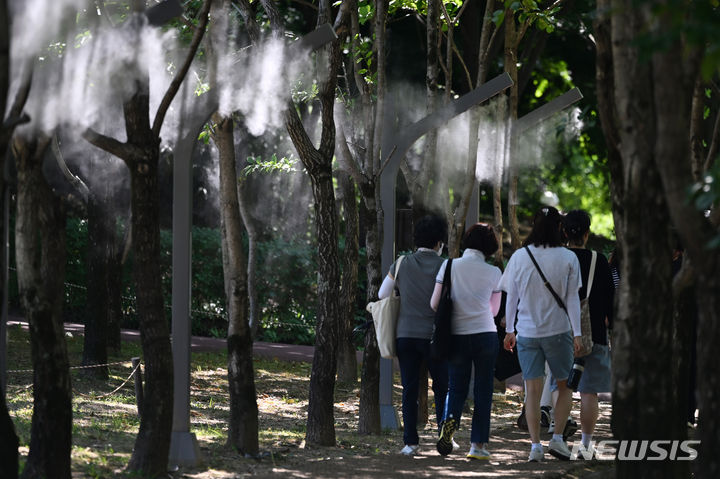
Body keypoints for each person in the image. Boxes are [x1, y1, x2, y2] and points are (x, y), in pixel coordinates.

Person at [499, 206, 582, 462]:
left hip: (526, 333)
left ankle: (535, 446)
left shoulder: (519, 257)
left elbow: (511, 297)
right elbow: (572, 300)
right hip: (559, 332)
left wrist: (510, 329)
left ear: (534, 225)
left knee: (532, 391)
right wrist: (577, 333)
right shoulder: (568, 258)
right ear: (560, 227)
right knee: (564, 386)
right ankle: (557, 438)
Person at [430, 223, 502, 460]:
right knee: (483, 389)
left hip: (457, 335)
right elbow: (494, 310)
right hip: (485, 334)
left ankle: (449, 425)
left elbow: (434, 304)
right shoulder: (494, 273)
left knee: (456, 386)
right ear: (489, 247)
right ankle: (477, 446)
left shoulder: (449, 265)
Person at [378, 214, 449, 456]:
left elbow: (381, 295)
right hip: (434, 336)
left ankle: (410, 443)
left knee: (409, 389)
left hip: (406, 335)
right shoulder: (445, 265)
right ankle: (444, 436)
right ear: (439, 242)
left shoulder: (400, 263)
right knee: (442, 388)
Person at [561, 210, 614, 454]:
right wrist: (610, 326)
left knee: (560, 387)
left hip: (560, 331)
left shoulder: (558, 258)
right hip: (593, 333)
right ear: (587, 233)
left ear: (564, 232)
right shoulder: (599, 260)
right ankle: (585, 444)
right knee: (589, 391)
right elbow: (610, 297)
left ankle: (557, 438)